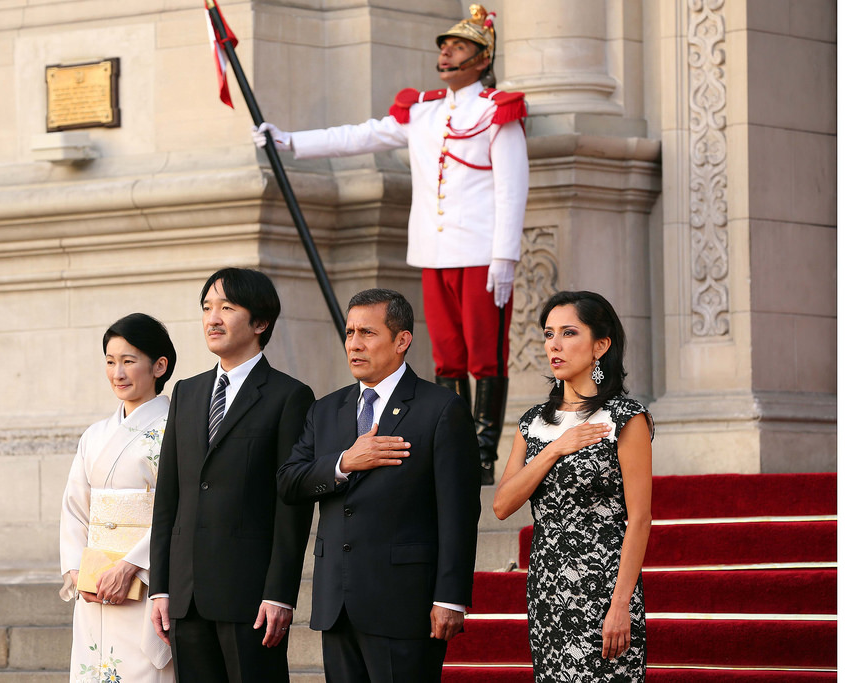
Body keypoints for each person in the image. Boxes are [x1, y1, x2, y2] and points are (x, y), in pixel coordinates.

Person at [254, 4, 529, 485]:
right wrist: (290, 141)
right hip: (433, 251)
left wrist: (504, 255)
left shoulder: (496, 111)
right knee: (447, 355)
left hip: (481, 253)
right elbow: (359, 137)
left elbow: (511, 186)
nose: (446, 53)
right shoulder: (423, 111)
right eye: (444, 47)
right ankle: (457, 446)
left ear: (482, 58)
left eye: (458, 47)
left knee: (485, 354)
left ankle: (482, 451)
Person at [277, 288, 482, 683]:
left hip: (405, 605)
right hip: (336, 602)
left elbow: (458, 513)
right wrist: (343, 462)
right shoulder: (325, 409)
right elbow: (289, 481)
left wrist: (450, 597)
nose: (354, 344)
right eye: (350, 332)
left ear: (402, 340)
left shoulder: (440, 408)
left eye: (367, 333)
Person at [148, 268, 315, 683]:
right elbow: (169, 496)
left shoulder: (289, 396)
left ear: (260, 322)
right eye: (207, 307)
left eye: (227, 307)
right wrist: (162, 586)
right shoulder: (186, 392)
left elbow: (290, 506)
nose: (213, 318)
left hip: (251, 598)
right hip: (187, 597)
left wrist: (279, 593)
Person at [492, 291, 653, 681]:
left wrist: (621, 604)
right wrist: (554, 450)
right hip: (547, 588)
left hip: (604, 589)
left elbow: (641, 518)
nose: (555, 345)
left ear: (600, 345)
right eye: (549, 335)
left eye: (568, 333)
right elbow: (502, 504)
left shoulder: (625, 418)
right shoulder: (532, 423)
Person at [60, 312, 177, 683]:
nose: (118, 373)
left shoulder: (175, 427)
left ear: (159, 365)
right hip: (96, 585)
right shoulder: (94, 435)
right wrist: (80, 573)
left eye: (129, 361)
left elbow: (175, 507)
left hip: (145, 579)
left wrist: (129, 566)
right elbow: (75, 509)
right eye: (110, 362)